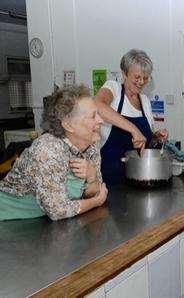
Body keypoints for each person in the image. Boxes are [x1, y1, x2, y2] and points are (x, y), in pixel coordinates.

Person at [0, 84, 108, 221]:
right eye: (93, 116)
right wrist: (95, 203)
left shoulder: (91, 143)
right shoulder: (47, 151)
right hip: (8, 222)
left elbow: (93, 192)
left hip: (43, 221)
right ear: (68, 125)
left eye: (98, 113)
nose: (101, 120)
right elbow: (58, 211)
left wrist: (92, 177)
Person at [95, 49, 168, 185]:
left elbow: (146, 140)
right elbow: (97, 106)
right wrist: (133, 129)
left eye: (145, 78)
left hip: (138, 178)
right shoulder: (114, 89)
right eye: (137, 77)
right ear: (125, 73)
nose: (141, 82)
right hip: (109, 179)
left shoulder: (145, 101)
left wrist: (157, 137)